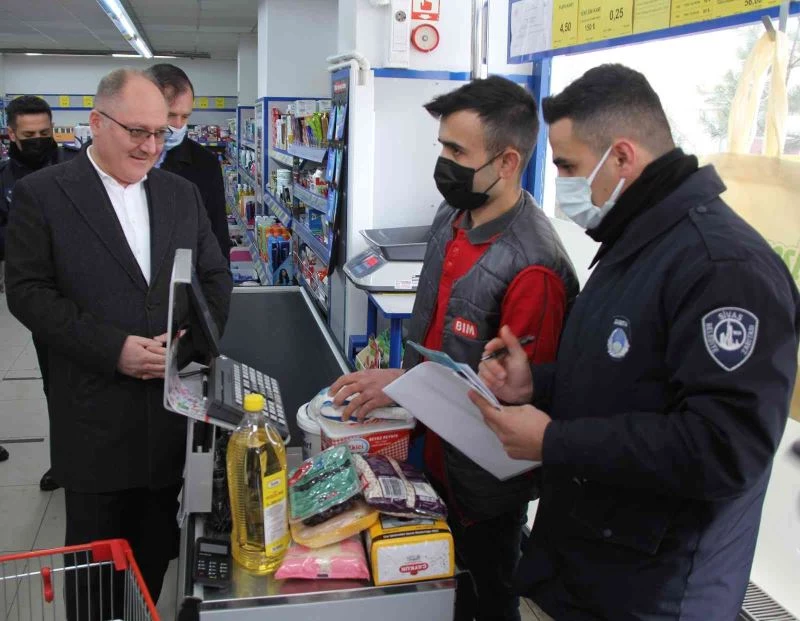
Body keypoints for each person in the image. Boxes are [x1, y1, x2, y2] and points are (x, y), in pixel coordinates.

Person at [475, 64, 800, 621]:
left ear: (621, 157)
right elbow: (627, 379)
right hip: (578, 573)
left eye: (568, 166)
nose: (563, 184)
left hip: (652, 596)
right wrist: (535, 384)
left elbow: (725, 448)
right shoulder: (635, 241)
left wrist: (554, 442)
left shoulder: (723, 268)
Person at [329, 76, 579, 621]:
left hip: (482, 493)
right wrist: (403, 383)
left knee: (483, 599)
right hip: (430, 455)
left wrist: (406, 386)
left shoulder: (534, 267)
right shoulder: (452, 217)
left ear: (507, 162)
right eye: (442, 146)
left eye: (457, 152)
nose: (443, 163)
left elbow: (518, 406)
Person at [5, 68, 232, 617]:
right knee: (95, 572)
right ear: (97, 122)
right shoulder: (44, 194)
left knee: (152, 559)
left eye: (160, 132)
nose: (151, 146)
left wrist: (186, 345)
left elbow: (214, 277)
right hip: (93, 422)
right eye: (137, 131)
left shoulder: (180, 194)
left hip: (167, 418)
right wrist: (113, 350)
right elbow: (28, 293)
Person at [0, 95, 79, 486]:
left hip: (85, 289)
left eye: (44, 133)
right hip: (41, 297)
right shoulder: (4, 180)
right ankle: (63, 463)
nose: (38, 140)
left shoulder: (77, 167)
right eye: (29, 135)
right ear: (11, 134)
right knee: (55, 384)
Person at [144, 63, 230, 259]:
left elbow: (217, 238)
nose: (178, 125)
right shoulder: (117, 158)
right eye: (170, 115)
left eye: (185, 116)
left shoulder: (205, 165)